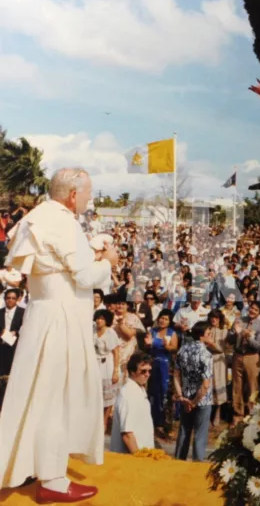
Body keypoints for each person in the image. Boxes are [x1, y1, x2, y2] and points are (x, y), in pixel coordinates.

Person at [0, 168, 118, 503]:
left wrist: (92, 251)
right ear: (72, 195)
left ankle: (39, 467)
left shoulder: (38, 217)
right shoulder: (64, 222)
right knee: (56, 400)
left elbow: (57, 267)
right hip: (61, 322)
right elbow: (82, 276)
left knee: (38, 395)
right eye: (88, 193)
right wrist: (108, 261)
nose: (90, 199)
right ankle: (52, 480)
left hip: (43, 317)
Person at [173, 321, 213, 462]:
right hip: (202, 399)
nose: (210, 336)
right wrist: (194, 402)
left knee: (184, 431)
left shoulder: (182, 350)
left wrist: (181, 397)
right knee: (200, 434)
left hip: (185, 395)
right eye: (209, 333)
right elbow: (205, 383)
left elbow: (176, 375)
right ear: (203, 336)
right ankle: (197, 464)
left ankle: (178, 461)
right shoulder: (206, 354)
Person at [110, 353, 155, 454]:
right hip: (131, 461)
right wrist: (139, 460)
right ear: (132, 372)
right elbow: (127, 434)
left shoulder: (139, 390)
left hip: (143, 457)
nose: (147, 374)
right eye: (143, 371)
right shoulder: (128, 394)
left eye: (149, 371)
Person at [144, 309, 178, 432]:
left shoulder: (171, 333)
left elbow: (174, 349)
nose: (163, 321)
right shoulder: (152, 331)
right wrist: (148, 344)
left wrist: (166, 346)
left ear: (170, 321)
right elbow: (147, 347)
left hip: (166, 365)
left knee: (165, 392)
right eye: (161, 318)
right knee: (153, 392)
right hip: (153, 364)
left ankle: (166, 422)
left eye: (166, 319)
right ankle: (153, 420)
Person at [93, 309, 120, 433]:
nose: (99, 321)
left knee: (107, 395)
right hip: (94, 363)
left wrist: (115, 370)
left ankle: (104, 422)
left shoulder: (110, 332)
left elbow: (116, 352)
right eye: (98, 318)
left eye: (102, 319)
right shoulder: (92, 330)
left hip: (107, 364)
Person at [0, 288, 25, 378]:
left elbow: (26, 328)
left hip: (16, 347)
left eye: (13, 298)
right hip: (1, 346)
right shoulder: (0, 312)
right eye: (8, 298)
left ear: (18, 299)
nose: (10, 300)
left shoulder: (23, 312)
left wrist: (16, 333)